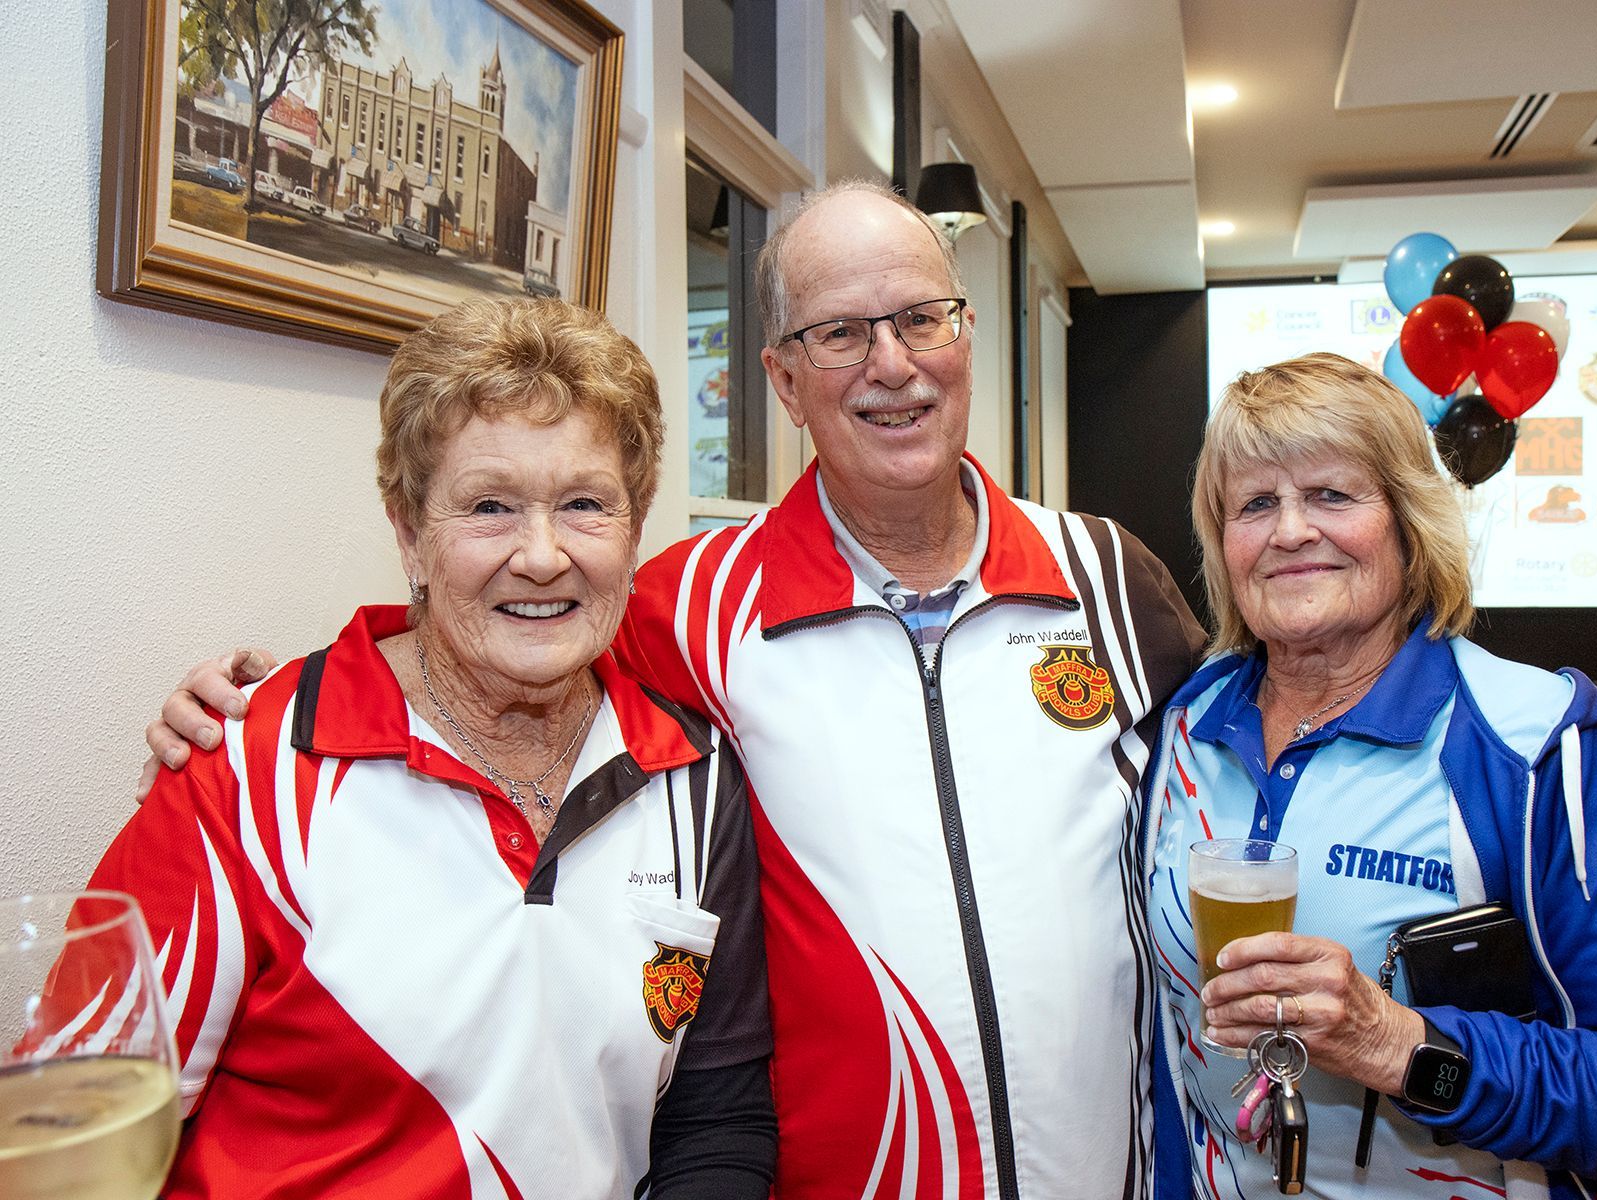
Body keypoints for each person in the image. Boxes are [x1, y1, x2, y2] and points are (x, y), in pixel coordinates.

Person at [141, 180, 1210, 1199]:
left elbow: (1243, 752)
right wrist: (253, 707)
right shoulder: (688, 607)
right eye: (839, 333)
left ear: (966, 332)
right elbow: (482, 660)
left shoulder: (1110, 579)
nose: (893, 363)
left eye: (924, 318)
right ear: (782, 381)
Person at [101, 299, 775, 1198]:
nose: (542, 556)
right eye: (489, 507)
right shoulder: (245, 770)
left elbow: (716, 1119)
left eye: (585, 504)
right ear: (410, 534)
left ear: (634, 529)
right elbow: (86, 1129)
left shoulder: (694, 779)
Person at [1143, 353, 1597, 1199]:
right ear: (1224, 544)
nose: (1290, 530)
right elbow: (1167, 1049)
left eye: (1331, 494)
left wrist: (1402, 1047)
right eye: (1255, 504)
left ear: (1409, 521)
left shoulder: (1534, 744)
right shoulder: (1183, 727)